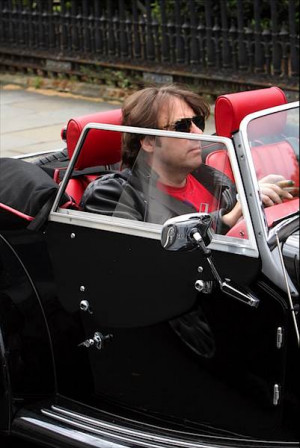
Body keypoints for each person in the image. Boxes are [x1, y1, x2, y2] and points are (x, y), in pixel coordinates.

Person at [80, 85, 293, 233]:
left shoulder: (213, 179)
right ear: (148, 141)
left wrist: (258, 202)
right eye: (182, 126)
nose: (198, 133)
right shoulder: (111, 195)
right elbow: (146, 260)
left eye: (198, 122)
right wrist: (228, 219)